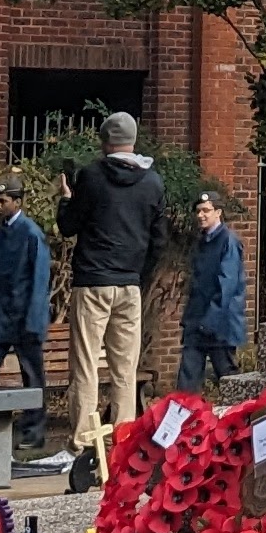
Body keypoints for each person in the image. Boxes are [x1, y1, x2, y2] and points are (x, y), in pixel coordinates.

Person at [60, 115, 166, 488]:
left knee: (86, 365)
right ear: (134, 141)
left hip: (92, 281)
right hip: (130, 284)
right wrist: (140, 274)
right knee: (125, 368)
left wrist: (65, 201)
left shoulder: (91, 176)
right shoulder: (152, 181)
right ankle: (124, 441)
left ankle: (84, 443)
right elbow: (158, 238)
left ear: (105, 141)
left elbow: (70, 226)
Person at [0, 173, 60, 468]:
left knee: (32, 378)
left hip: (24, 318)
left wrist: (35, 322)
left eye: (3, 200)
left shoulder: (31, 233)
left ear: (17, 202)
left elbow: (39, 279)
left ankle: (33, 433)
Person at [177, 192, 248, 394]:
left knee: (230, 383)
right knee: (186, 384)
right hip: (197, 324)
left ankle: (239, 423)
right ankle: (183, 423)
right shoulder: (202, 241)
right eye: (198, 211)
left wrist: (210, 320)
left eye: (206, 210)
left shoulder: (229, 241)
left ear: (218, 212)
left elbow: (227, 285)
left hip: (220, 325)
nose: (201, 215)